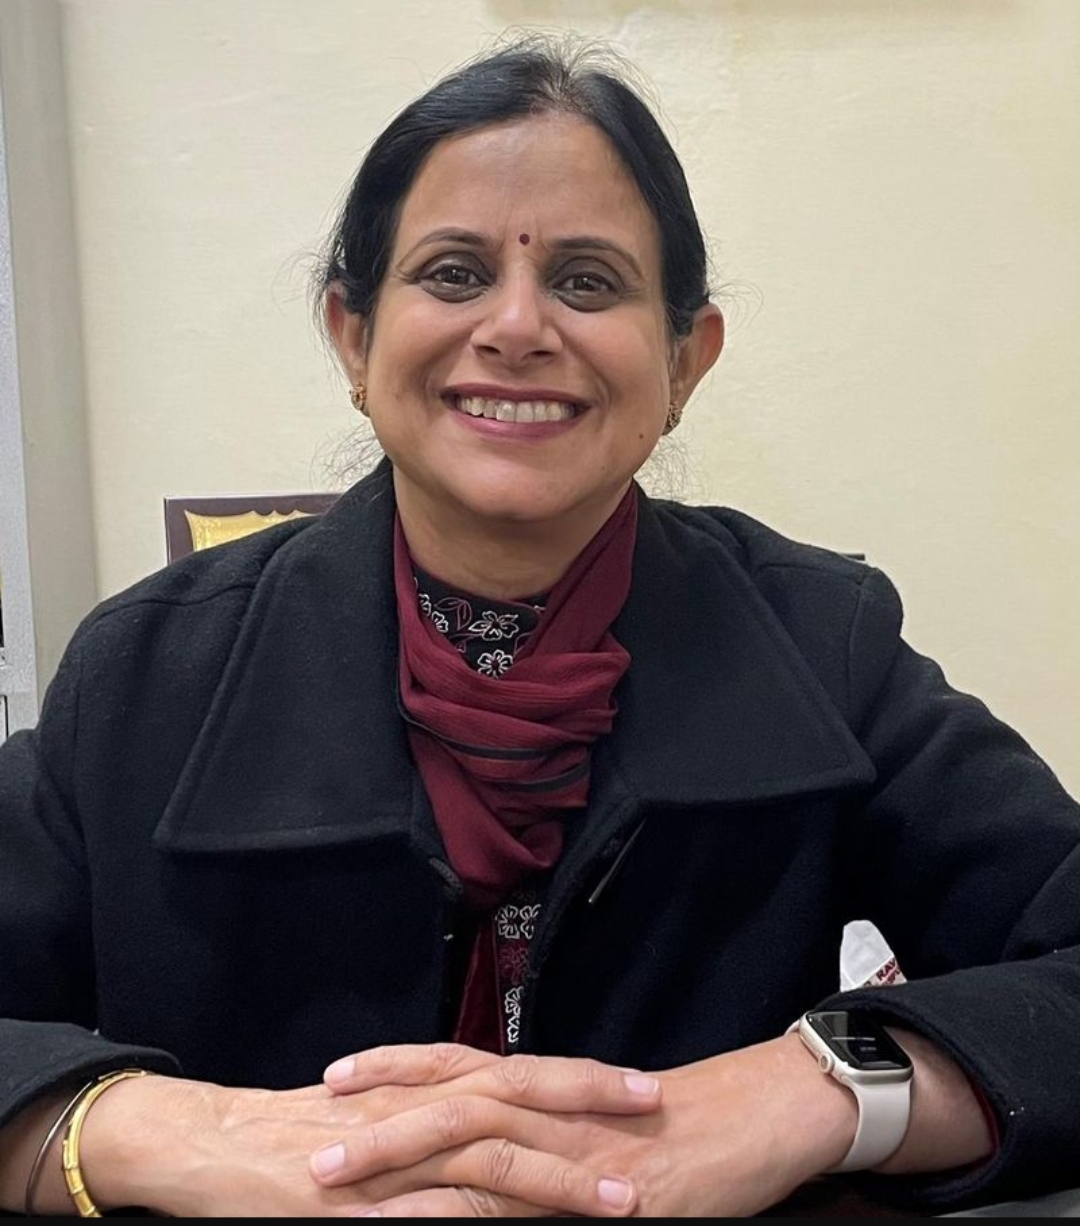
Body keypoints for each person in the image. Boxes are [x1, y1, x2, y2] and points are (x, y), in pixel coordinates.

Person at [1, 33, 1079, 1220]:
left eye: (588, 281)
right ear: (353, 334)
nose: (517, 325)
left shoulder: (824, 646)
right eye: (455, 272)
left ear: (685, 359)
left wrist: (817, 1089)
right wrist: (158, 1132)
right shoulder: (145, 675)